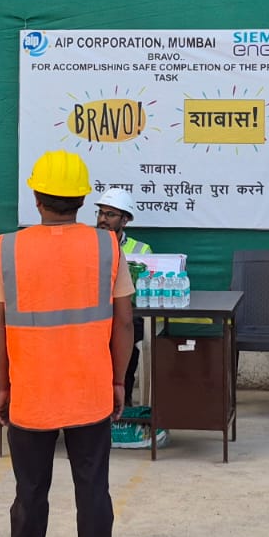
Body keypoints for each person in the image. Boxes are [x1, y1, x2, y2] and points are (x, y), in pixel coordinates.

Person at [0, 151, 134, 537]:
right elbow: (124, 323)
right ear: (83, 200)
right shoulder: (107, 247)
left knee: (30, 490)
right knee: (93, 489)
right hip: (90, 391)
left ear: (36, 197)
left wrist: (2, 386)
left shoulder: (9, 248)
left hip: (30, 392)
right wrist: (117, 381)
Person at [94, 187, 155, 447]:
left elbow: (145, 288)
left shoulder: (141, 249)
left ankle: (123, 409)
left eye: (110, 214)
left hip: (128, 316)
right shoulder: (87, 244)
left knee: (128, 346)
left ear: (125, 219)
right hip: (95, 317)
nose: (102, 219)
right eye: (100, 213)